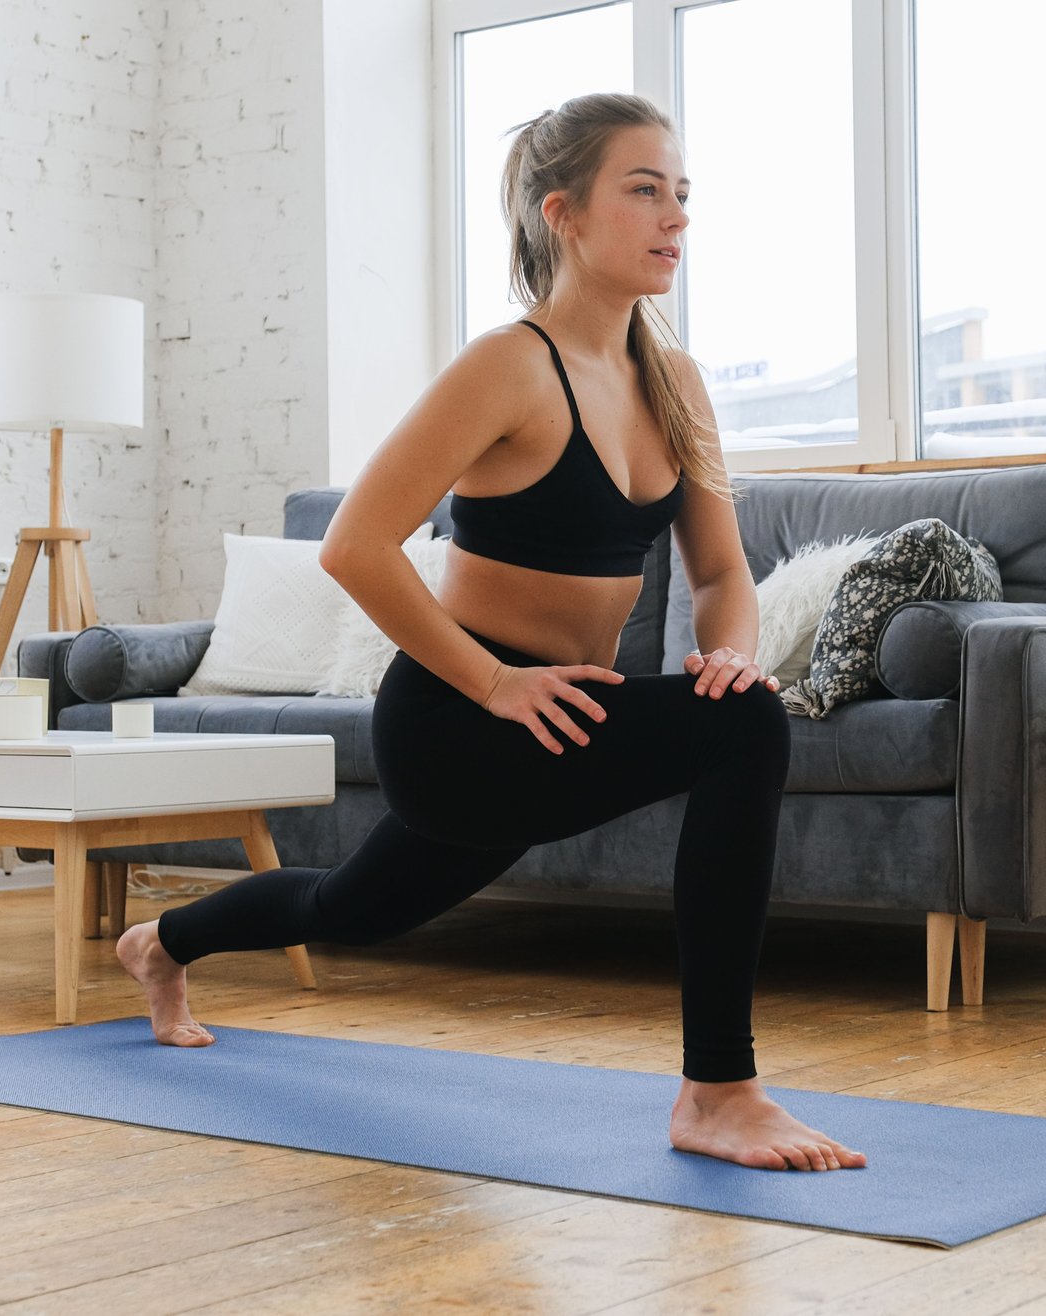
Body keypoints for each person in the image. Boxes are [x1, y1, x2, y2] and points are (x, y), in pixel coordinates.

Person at [117, 92, 866, 1173]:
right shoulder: (504, 366)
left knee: (352, 905)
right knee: (744, 729)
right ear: (562, 212)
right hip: (459, 720)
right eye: (643, 191)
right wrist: (491, 684)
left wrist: (731, 645)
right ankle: (717, 1089)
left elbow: (718, 570)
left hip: (555, 718)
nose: (674, 218)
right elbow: (355, 545)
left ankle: (162, 941)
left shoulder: (675, 382)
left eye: (683, 195)